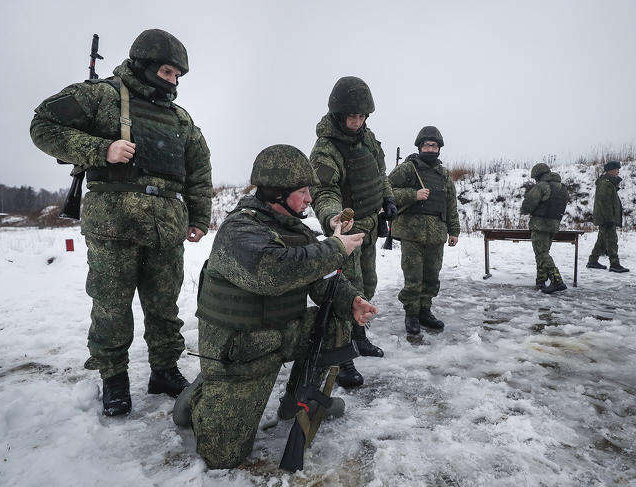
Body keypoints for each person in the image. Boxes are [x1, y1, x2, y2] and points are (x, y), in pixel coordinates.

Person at [30, 29, 213, 416]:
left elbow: (198, 171)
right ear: (145, 65)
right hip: (113, 224)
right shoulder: (102, 95)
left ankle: (164, 370)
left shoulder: (180, 118)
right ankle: (113, 377)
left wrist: (199, 217)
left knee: (164, 306)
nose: (173, 81)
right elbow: (43, 125)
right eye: (167, 71)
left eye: (178, 75)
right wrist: (101, 149)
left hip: (166, 226)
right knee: (111, 306)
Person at [188, 144, 377, 469]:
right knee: (222, 457)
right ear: (276, 193)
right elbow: (271, 272)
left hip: (282, 333)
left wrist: (352, 301)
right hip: (239, 352)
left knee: (333, 320)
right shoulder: (240, 229)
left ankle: (299, 399)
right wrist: (334, 248)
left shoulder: (296, 230)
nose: (308, 199)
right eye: (302, 191)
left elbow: (318, 278)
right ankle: (199, 398)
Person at [308, 76, 396, 387]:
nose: (356, 122)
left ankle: (359, 334)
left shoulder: (367, 138)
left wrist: (387, 198)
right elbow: (323, 191)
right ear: (337, 114)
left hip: (371, 225)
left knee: (367, 283)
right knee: (346, 291)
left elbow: (380, 173)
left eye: (361, 117)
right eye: (351, 117)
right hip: (346, 231)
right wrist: (334, 219)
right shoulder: (326, 149)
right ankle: (341, 356)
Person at [387, 127, 459, 333]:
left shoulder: (443, 174)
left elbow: (450, 204)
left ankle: (425, 311)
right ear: (420, 147)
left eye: (434, 145)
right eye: (426, 145)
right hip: (412, 232)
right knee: (413, 276)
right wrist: (413, 194)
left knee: (431, 276)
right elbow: (386, 189)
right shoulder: (409, 168)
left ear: (439, 148)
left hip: (437, 232)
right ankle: (411, 314)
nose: (430, 148)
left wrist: (454, 231)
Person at [520, 163, 570, 294]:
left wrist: (525, 210)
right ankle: (541, 280)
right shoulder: (561, 187)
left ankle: (557, 281)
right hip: (554, 225)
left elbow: (529, 203)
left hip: (540, 224)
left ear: (538, 175)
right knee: (542, 253)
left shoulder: (542, 186)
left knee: (541, 254)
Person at [586, 161, 629, 273]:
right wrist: (609, 218)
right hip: (607, 218)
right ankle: (615, 264)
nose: (618, 171)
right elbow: (604, 202)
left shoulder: (608, 183)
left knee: (601, 241)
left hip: (606, 217)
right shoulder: (605, 183)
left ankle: (592, 261)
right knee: (612, 240)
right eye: (616, 169)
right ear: (610, 170)